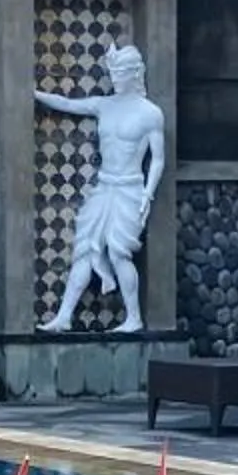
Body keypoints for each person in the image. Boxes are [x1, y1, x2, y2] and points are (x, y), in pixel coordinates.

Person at [35, 44, 164, 333]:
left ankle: (134, 318)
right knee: (84, 250)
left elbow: (158, 159)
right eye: (113, 73)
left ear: (135, 74)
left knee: (119, 253)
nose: (115, 79)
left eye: (121, 73)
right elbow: (68, 104)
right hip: (104, 188)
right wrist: (32, 94)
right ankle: (64, 316)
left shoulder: (151, 113)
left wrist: (148, 193)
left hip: (130, 190)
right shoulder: (104, 105)